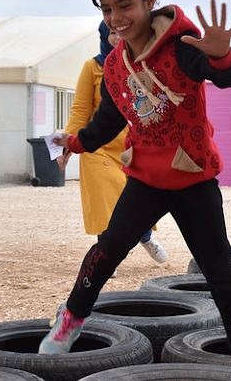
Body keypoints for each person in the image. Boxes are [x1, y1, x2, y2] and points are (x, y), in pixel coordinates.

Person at [39, 0, 231, 357]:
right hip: (146, 177)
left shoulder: (184, 45)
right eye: (107, 9)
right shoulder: (113, 66)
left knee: (219, 269)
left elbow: (228, 76)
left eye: (124, 5)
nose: (116, 17)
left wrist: (222, 54)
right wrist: (74, 142)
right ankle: (69, 323)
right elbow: (108, 121)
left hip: (193, 176)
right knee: (106, 250)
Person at [63, 21, 167, 274]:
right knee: (104, 204)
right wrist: (68, 142)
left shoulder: (140, 64)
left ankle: (145, 238)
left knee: (135, 201)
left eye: (119, 31)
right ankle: (106, 258)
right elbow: (80, 108)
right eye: (111, 32)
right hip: (96, 146)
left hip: (132, 145)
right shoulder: (92, 67)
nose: (116, 36)